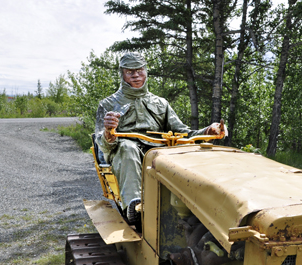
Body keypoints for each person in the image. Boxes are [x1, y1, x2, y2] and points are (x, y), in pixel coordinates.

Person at [95, 52, 226, 222]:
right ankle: (135, 208)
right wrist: (108, 131)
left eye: (140, 70)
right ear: (122, 74)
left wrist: (208, 131)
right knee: (128, 147)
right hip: (123, 153)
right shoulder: (108, 104)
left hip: (157, 150)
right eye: (130, 72)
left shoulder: (160, 103)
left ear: (146, 72)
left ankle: (196, 203)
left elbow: (182, 133)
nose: (136, 75)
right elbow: (102, 145)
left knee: (181, 154)